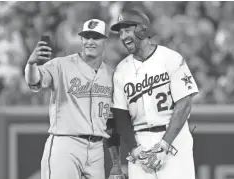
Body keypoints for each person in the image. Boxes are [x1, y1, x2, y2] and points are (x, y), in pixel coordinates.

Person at [25, 19, 125, 179]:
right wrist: (31, 64)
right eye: (87, 37)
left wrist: (116, 164)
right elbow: (34, 80)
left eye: (96, 37)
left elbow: (111, 123)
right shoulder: (61, 65)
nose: (90, 41)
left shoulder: (111, 75)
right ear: (81, 39)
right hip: (66, 144)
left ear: (106, 41)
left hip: (97, 150)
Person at [110, 9, 199, 179]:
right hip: (139, 142)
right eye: (120, 33)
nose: (122, 37)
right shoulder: (121, 70)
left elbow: (184, 104)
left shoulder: (171, 58)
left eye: (127, 30)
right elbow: (120, 115)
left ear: (142, 30)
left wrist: (164, 145)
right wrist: (134, 150)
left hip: (174, 141)